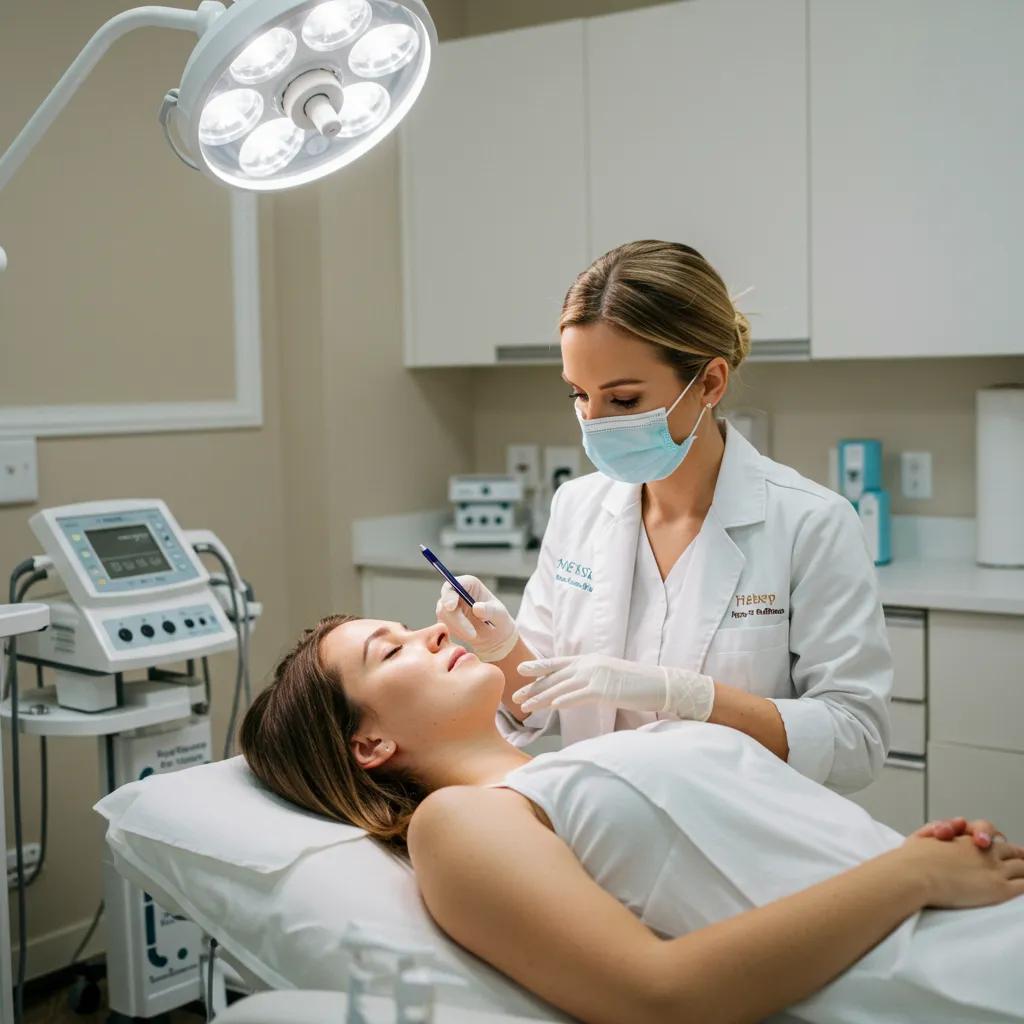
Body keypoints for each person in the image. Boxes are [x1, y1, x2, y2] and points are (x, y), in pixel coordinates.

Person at [241, 615, 1023, 1024]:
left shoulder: (564, 764)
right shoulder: (456, 822)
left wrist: (925, 865)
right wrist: (912, 874)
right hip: (932, 977)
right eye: (393, 650)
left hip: (972, 920)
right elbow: (660, 997)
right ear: (369, 743)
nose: (435, 630)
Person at [436, 241, 891, 793]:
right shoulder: (577, 508)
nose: (594, 422)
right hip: (604, 826)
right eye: (580, 395)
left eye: (623, 401)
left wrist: (689, 696)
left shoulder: (811, 523)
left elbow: (855, 742)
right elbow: (535, 709)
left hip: (742, 838)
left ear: (709, 383)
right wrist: (501, 650)